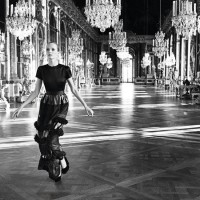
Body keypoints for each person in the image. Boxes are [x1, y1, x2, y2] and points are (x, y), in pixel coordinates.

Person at [12, 42, 94, 182]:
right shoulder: (41, 69)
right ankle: (61, 159)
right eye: (48, 49)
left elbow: (74, 90)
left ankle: (58, 168)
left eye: (53, 49)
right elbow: (36, 92)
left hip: (61, 104)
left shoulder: (65, 69)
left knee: (53, 136)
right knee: (42, 137)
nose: (50, 51)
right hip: (46, 105)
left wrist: (85, 105)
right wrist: (21, 106)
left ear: (58, 52)